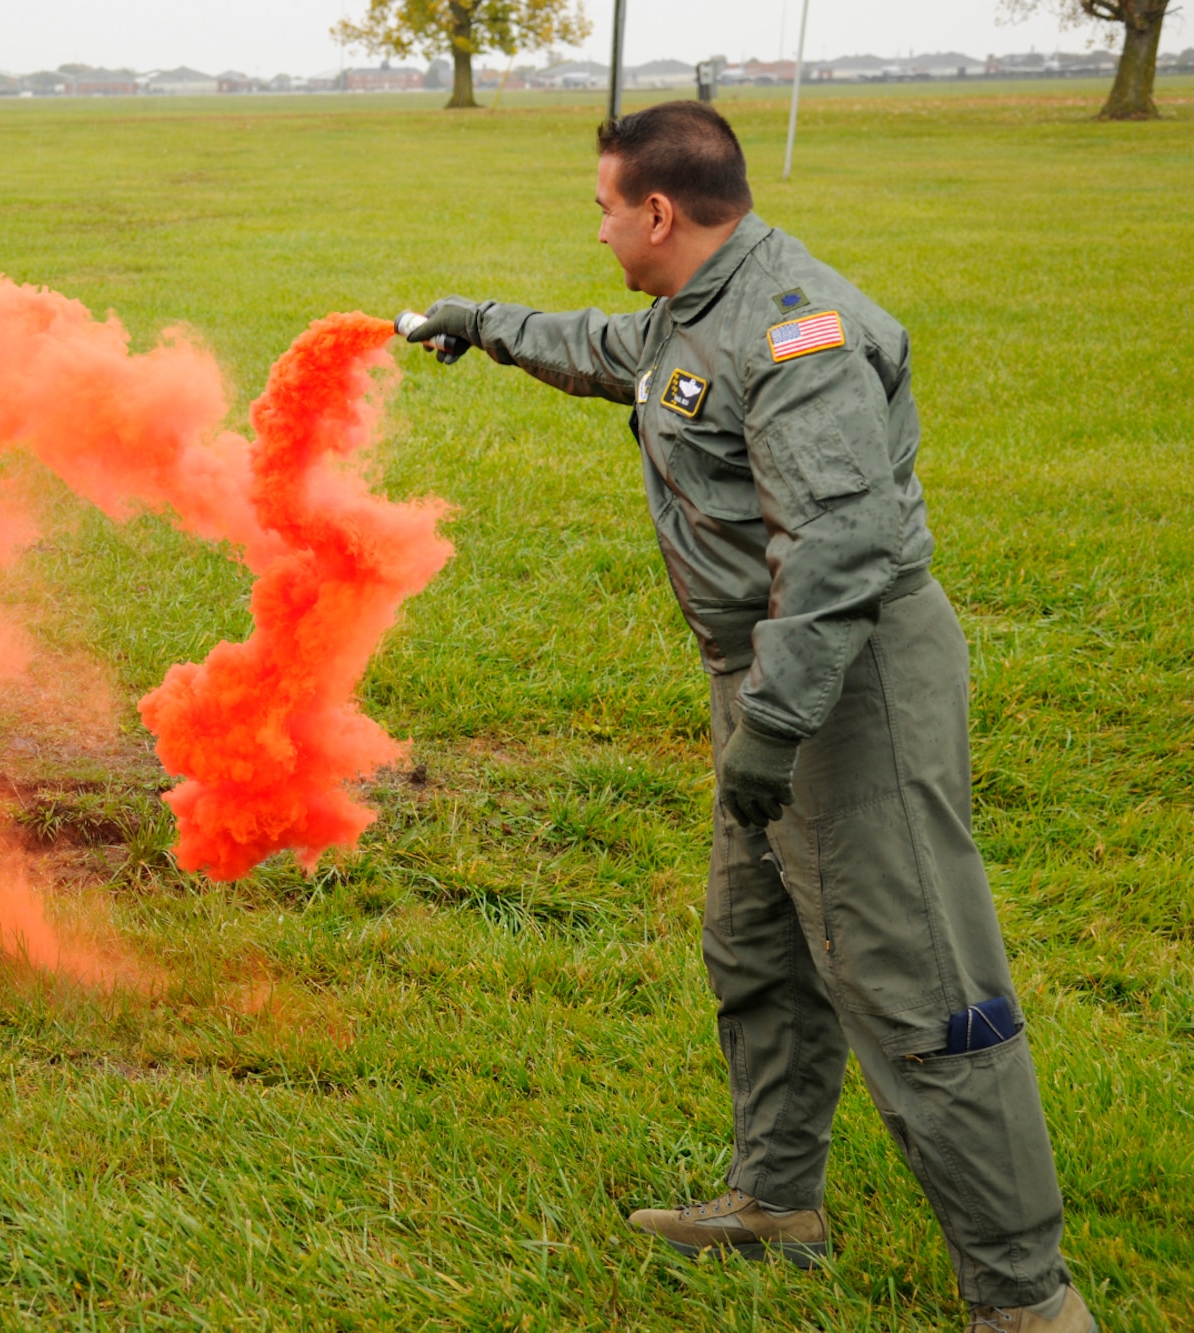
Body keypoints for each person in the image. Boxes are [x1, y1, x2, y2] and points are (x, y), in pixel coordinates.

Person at [403, 101, 1094, 1333]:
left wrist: (773, 725)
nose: (599, 226)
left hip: (845, 682)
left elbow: (837, 547)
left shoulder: (795, 333)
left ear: (656, 211)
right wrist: (486, 327)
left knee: (916, 981)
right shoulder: (698, 305)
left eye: (604, 206)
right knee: (757, 947)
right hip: (769, 677)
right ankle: (775, 1203)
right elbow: (622, 351)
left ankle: (1025, 1298)